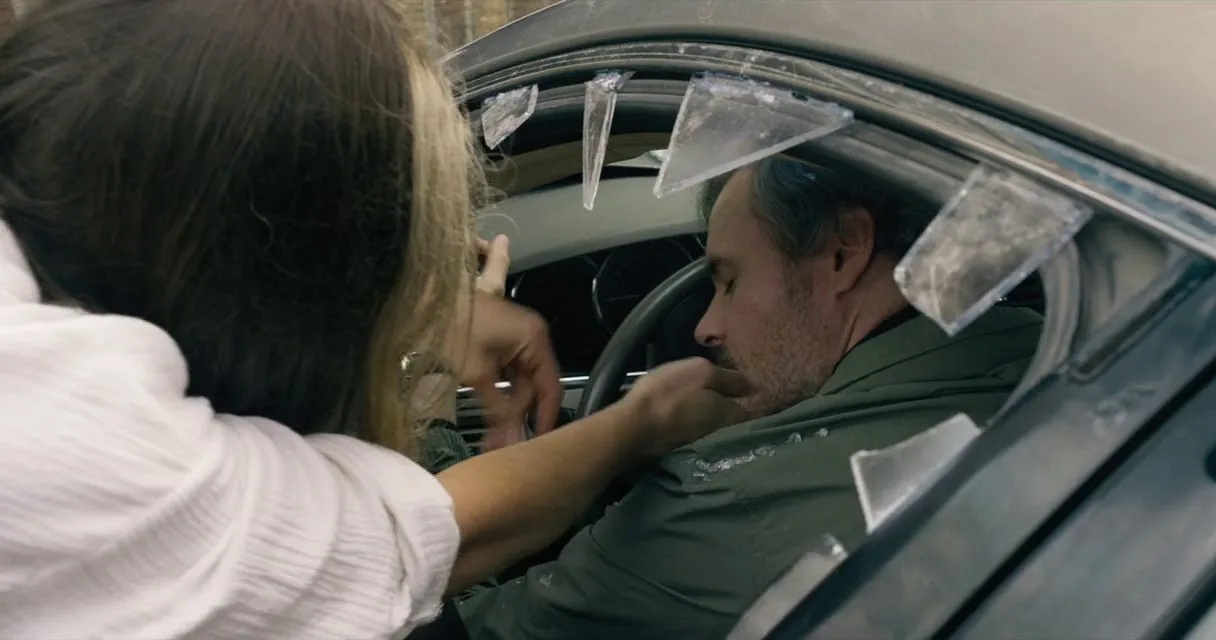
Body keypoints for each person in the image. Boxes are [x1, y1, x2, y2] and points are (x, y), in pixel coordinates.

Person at [0, 2, 752, 639]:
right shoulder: (76, 443)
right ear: (282, 290)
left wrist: (425, 326)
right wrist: (639, 422)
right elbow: (412, 542)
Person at [456, 158, 1045, 639]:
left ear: (844, 252)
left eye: (729, 280)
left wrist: (434, 382)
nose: (706, 327)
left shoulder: (729, 499)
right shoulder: (1035, 346)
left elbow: (449, 621)